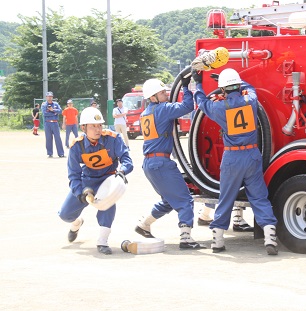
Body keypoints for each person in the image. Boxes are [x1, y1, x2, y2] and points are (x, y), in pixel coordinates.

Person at [192, 68, 278, 255]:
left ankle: (218, 240)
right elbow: (250, 87)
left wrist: (199, 83)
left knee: (226, 198)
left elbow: (201, 102)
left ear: (222, 90)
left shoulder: (218, 108)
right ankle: (270, 237)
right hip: (253, 155)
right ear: (238, 85)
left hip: (232, 158)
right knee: (259, 197)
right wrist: (234, 83)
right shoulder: (251, 100)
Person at [134, 77, 205, 250]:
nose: (166, 94)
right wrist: (187, 88)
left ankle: (144, 225)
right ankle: (186, 237)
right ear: (152, 97)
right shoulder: (162, 109)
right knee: (185, 200)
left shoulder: (146, 113)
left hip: (150, 164)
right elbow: (188, 106)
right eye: (162, 92)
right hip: (161, 162)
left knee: (169, 200)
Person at [58, 107, 133, 255]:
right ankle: (77, 223)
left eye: (100, 125)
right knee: (65, 214)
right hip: (87, 182)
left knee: (107, 204)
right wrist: (80, 193)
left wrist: (122, 172)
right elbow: (73, 174)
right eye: (93, 126)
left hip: (109, 178)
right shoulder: (76, 146)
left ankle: (102, 241)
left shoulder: (113, 138)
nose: (98, 129)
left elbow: (126, 159)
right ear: (83, 127)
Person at [41, 91, 65, 158]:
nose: (50, 98)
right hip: (47, 123)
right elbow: (45, 113)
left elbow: (60, 111)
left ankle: (61, 153)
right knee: (48, 138)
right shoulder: (44, 105)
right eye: (48, 96)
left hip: (55, 122)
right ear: (46, 97)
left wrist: (53, 110)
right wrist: (54, 112)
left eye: (51, 96)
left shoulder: (56, 104)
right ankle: (49, 153)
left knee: (58, 138)